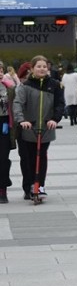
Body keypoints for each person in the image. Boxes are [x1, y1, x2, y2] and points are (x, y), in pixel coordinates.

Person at [13, 55, 64, 200]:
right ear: (32, 69)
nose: (42, 69)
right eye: (38, 66)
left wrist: (55, 119)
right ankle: (28, 186)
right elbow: (18, 104)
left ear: (48, 68)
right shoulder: (25, 86)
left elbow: (60, 104)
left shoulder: (54, 85)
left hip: (46, 128)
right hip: (28, 129)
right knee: (28, 158)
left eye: (44, 66)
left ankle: (39, 185)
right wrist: (22, 120)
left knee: (41, 157)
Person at [0, 71, 17, 204]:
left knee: (3, 159)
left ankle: (2, 189)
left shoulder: (10, 88)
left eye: (0, 70)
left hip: (4, 125)